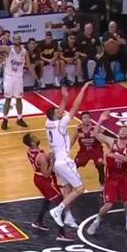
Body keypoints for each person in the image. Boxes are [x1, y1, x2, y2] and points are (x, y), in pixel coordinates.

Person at [46, 82, 93, 227]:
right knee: (80, 188)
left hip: (57, 164)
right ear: (56, 116)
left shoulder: (48, 122)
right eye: (58, 112)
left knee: (67, 189)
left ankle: (68, 217)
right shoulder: (61, 125)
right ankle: (58, 210)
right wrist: (83, 89)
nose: (61, 112)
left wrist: (65, 98)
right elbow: (75, 107)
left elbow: (59, 110)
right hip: (63, 161)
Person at [86, 112, 127, 235]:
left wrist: (113, 155)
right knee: (108, 205)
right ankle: (96, 222)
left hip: (123, 178)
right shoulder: (112, 141)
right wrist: (100, 120)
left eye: (125, 130)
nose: (122, 131)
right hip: (111, 178)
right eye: (121, 129)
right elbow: (96, 134)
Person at [23, 133, 73, 241]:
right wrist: (52, 161)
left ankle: (38, 221)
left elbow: (40, 164)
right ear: (32, 142)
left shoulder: (30, 151)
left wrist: (48, 158)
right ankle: (61, 234)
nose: (37, 137)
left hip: (38, 177)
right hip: (45, 181)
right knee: (60, 205)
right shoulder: (41, 157)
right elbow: (46, 174)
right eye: (34, 137)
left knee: (47, 199)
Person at [0, 33, 32, 130]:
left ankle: (20, 118)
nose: (17, 41)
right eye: (15, 39)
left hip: (19, 78)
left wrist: (36, 77)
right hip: (9, 77)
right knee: (8, 99)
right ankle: (5, 119)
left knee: (19, 99)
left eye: (18, 39)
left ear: (20, 40)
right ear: (13, 40)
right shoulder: (8, 49)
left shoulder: (25, 51)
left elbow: (29, 65)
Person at [71, 110, 105, 187]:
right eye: (85, 117)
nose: (87, 119)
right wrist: (67, 149)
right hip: (84, 151)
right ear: (81, 119)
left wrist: (114, 139)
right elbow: (73, 140)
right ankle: (73, 182)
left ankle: (102, 185)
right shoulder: (78, 129)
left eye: (88, 117)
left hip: (96, 150)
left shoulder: (95, 128)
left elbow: (106, 134)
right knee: (73, 166)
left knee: (100, 167)